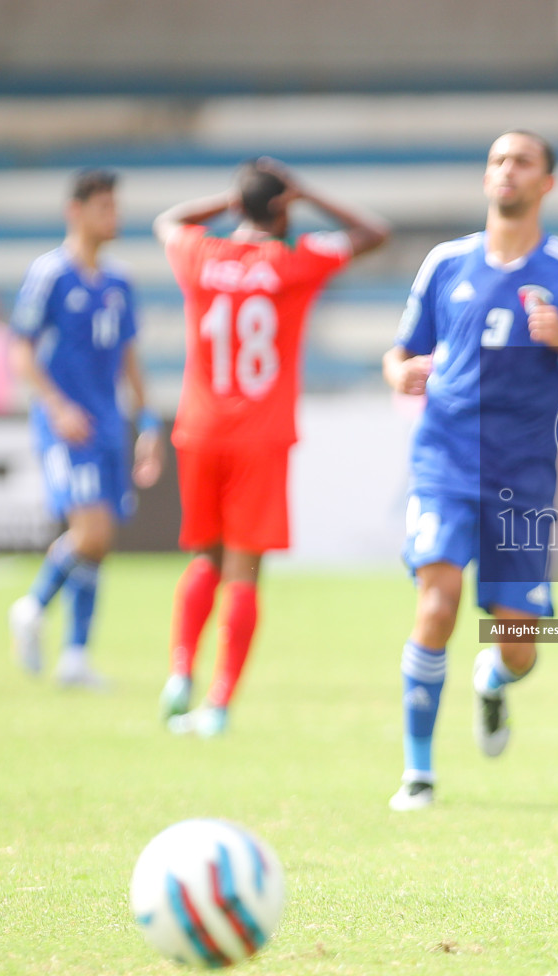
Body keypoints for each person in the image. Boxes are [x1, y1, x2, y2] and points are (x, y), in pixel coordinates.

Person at [383, 131, 558, 811]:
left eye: (522, 162)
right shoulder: (445, 264)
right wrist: (405, 372)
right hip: (445, 460)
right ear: (487, 179)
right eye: (497, 161)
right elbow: (398, 355)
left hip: (524, 475)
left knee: (518, 647)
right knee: (437, 604)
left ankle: (493, 680)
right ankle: (418, 773)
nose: (506, 171)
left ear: (547, 184)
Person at [154, 159, 390, 737]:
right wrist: (307, 193)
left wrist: (232, 198)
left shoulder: (200, 255)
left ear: (238, 206)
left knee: (203, 557)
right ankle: (218, 703)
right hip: (261, 434)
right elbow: (374, 233)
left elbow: (168, 220)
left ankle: (180, 672)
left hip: (200, 428)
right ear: (283, 208)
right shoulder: (293, 261)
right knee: (244, 571)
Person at [8, 169, 163, 688]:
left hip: (108, 423)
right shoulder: (49, 274)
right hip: (67, 425)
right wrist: (55, 406)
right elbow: (21, 350)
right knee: (90, 530)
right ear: (75, 212)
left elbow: (131, 358)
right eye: (103, 208)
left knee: (100, 541)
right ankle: (31, 609)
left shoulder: (120, 282)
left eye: (115, 208)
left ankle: (75, 657)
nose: (112, 218)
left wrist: (147, 420)